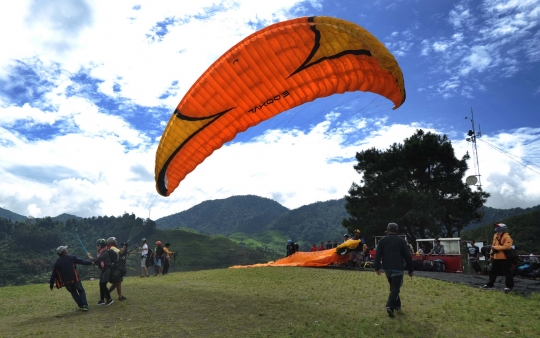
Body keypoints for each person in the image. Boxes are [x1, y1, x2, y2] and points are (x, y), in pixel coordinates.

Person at [373, 223, 414, 318]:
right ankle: (390, 306)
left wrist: (377, 267)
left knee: (393, 286)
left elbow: (378, 255)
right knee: (395, 287)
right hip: (398, 268)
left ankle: (397, 305)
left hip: (387, 268)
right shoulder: (401, 241)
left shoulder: (382, 240)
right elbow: (408, 256)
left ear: (388, 230)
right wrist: (410, 269)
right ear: (397, 230)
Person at [49, 245, 92, 311]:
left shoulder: (56, 263)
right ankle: (84, 305)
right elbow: (82, 261)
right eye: (65, 249)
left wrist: (51, 284)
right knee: (81, 290)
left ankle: (81, 305)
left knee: (73, 292)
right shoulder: (71, 257)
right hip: (75, 279)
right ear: (63, 251)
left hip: (66, 282)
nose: (66, 250)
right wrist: (91, 262)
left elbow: (53, 275)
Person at [482, 223, 514, 293]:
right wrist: (491, 255)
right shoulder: (495, 235)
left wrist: (495, 248)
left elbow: (507, 246)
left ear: (503, 228)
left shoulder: (507, 236)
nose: (496, 228)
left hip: (505, 257)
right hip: (496, 257)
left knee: (507, 272)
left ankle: (509, 286)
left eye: (498, 227)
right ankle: (490, 284)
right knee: (493, 271)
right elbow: (493, 245)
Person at [87, 239, 115, 306]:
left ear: (101, 246)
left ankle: (109, 299)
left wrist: (90, 257)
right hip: (103, 270)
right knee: (101, 284)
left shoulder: (105, 253)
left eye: (98, 245)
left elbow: (97, 260)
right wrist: (94, 261)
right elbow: (98, 261)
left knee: (103, 284)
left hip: (107, 269)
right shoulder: (100, 253)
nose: (97, 246)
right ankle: (102, 300)